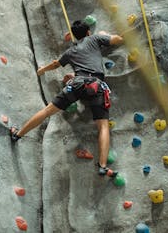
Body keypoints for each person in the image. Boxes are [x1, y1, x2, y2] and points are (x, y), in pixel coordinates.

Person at [10, 20, 124, 176]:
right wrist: (107, 35)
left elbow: (56, 64)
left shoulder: (71, 51)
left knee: (47, 111)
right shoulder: (95, 39)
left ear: (74, 36)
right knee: (103, 126)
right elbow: (117, 40)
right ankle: (102, 165)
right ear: (88, 32)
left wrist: (42, 70)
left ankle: (18, 134)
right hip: (96, 85)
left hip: (77, 84)